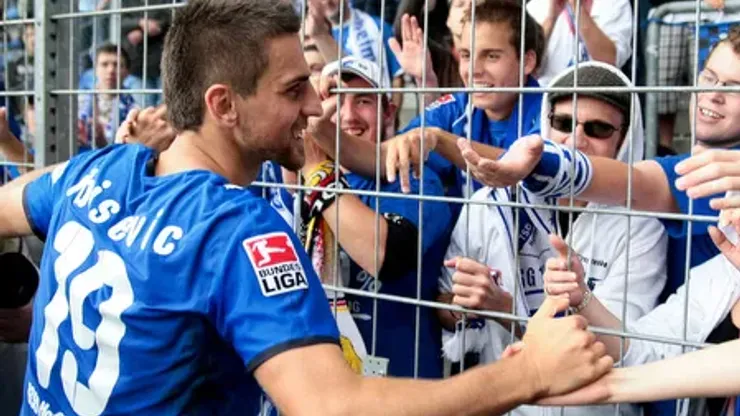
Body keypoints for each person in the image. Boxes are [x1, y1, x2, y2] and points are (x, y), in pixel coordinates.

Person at [0, 0, 612, 414]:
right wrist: (529, 374)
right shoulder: (238, 231)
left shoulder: (94, 170)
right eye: (295, 90)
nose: (318, 109)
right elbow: (330, 404)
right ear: (223, 104)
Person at [437, 62, 667, 416]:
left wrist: (505, 311)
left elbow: (611, 349)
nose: (575, 140)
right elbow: (442, 308)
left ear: (625, 141)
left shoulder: (642, 224)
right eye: (563, 123)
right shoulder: (491, 203)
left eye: (598, 129)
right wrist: (465, 305)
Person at [306, 56, 453, 379]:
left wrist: (318, 177)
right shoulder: (292, 176)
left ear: (388, 111)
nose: (348, 115)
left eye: (363, 101)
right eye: (334, 99)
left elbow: (387, 256)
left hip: (402, 386)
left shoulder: (415, 177)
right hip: (323, 384)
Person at [526, 0, 632, 86]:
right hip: (547, 98)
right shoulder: (536, 5)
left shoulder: (615, 3)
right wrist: (551, 19)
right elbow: (527, 64)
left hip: (598, 97)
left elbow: (609, 60)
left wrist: (578, 10)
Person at [78, 43, 137, 150]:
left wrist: (103, 141)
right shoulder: (78, 103)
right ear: (95, 70)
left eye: (117, 65)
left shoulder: (134, 111)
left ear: (127, 72)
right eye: (104, 64)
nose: (111, 70)